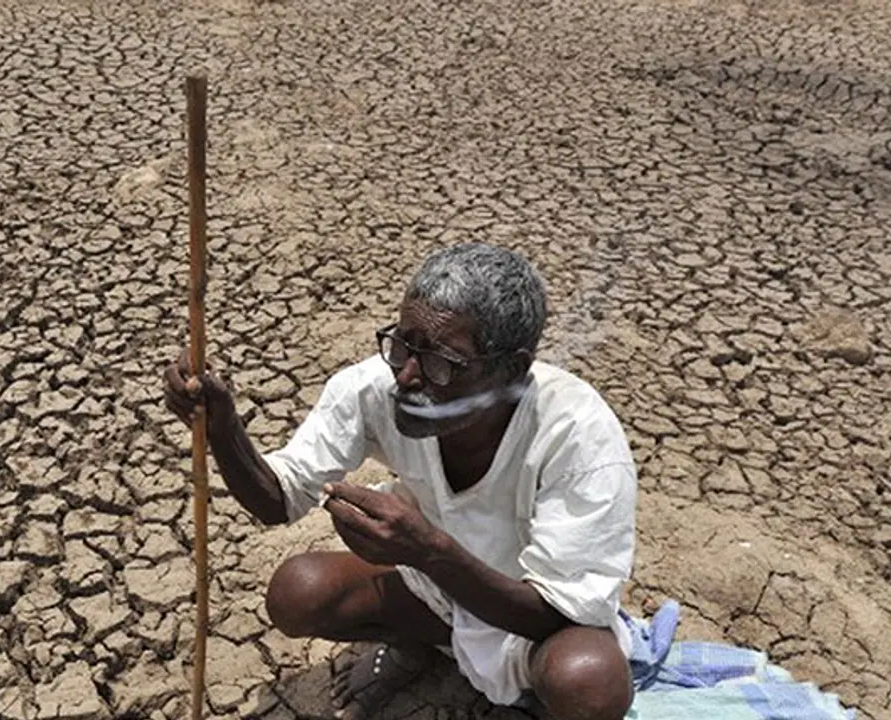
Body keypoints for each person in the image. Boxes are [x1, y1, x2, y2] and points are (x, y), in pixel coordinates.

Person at [162, 242, 637, 720]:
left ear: (510, 370)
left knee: (588, 684)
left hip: (526, 618)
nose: (408, 375)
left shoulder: (576, 434)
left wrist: (428, 550)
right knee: (297, 593)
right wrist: (224, 431)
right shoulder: (376, 388)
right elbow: (277, 499)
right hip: (435, 591)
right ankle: (416, 644)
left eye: (441, 362)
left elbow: (562, 612)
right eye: (403, 344)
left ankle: (529, 693)